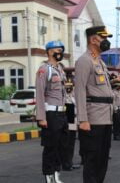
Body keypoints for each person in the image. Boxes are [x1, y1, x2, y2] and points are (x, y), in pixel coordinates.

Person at [75, 26, 113, 183]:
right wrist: (83, 119)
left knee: (103, 159)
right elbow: (80, 91)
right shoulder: (84, 61)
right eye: (103, 37)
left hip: (105, 117)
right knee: (92, 159)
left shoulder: (100, 62)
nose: (106, 41)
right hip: (93, 119)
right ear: (93, 39)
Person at [36, 41, 68, 183]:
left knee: (61, 146)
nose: (59, 52)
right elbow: (40, 94)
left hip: (61, 113)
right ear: (49, 52)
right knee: (50, 146)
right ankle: (48, 175)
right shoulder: (44, 69)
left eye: (61, 50)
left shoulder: (60, 69)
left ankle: (56, 173)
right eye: (57, 50)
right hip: (50, 114)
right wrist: (41, 117)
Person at [61, 79, 81, 171]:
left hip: (72, 122)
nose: (68, 88)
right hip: (65, 122)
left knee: (71, 142)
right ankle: (65, 163)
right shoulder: (63, 98)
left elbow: (76, 111)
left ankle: (69, 162)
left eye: (70, 87)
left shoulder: (74, 96)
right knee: (65, 143)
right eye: (67, 87)